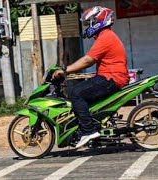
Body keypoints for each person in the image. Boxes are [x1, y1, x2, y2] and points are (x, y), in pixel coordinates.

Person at [53, 6, 130, 148]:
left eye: (90, 23)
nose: (89, 26)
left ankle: (88, 130)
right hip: (110, 77)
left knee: (76, 93)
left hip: (111, 79)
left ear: (99, 21)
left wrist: (65, 70)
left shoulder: (105, 37)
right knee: (84, 92)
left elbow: (87, 60)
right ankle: (92, 127)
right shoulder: (105, 36)